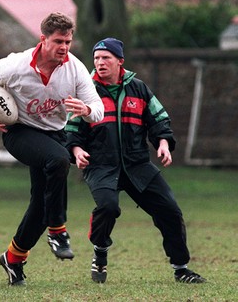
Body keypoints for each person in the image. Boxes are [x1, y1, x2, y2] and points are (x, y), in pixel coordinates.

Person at [0, 12, 104, 286]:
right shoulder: (16, 65)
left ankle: (13, 257)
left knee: (39, 203)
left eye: (68, 41)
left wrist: (87, 109)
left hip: (53, 135)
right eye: (58, 41)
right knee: (58, 160)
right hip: (19, 132)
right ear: (43, 40)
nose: (64, 47)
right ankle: (57, 229)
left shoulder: (75, 68)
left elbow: (98, 110)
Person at [65, 37, 206, 284]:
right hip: (101, 165)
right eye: (96, 58)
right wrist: (76, 152)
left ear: (120, 61)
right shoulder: (85, 91)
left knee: (170, 211)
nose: (100, 62)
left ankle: (181, 268)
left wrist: (163, 144)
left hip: (137, 165)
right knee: (108, 207)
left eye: (106, 58)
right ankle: (100, 250)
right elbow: (71, 130)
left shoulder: (139, 88)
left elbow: (159, 120)